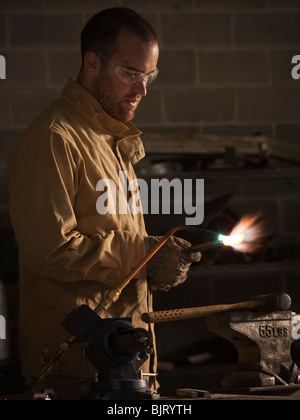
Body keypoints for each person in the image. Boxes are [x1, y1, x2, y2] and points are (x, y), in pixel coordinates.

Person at [7, 8, 201, 400]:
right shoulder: (54, 139)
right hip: (73, 372)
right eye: (130, 73)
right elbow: (49, 251)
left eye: (149, 76)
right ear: (92, 63)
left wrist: (154, 263)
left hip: (126, 365)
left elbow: (111, 241)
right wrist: (143, 253)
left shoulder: (109, 139)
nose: (142, 89)